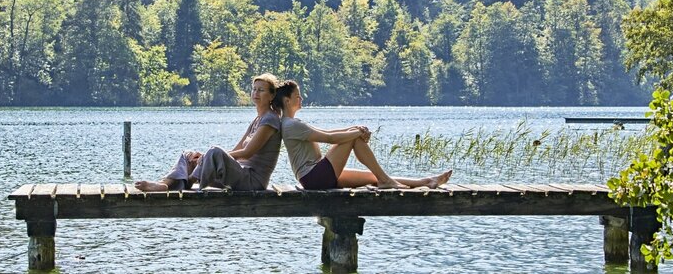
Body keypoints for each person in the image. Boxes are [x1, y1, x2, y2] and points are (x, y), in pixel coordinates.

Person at [273, 80, 452, 190]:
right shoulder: (291, 124)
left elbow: (328, 133)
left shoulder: (292, 123)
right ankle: (385, 180)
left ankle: (427, 181)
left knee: (371, 177)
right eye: (298, 96)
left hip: (316, 176)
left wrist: (354, 128)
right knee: (355, 140)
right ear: (287, 100)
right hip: (314, 177)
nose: (301, 99)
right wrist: (357, 133)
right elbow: (330, 139)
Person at [134, 74, 282, 191]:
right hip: (238, 174)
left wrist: (208, 157)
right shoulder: (258, 119)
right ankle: (164, 184)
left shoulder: (270, 120)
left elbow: (247, 153)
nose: (256, 93)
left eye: (261, 90)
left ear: (272, 95)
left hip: (251, 181)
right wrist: (204, 158)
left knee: (214, 151)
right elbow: (238, 149)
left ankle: (189, 181)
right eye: (254, 89)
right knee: (189, 155)